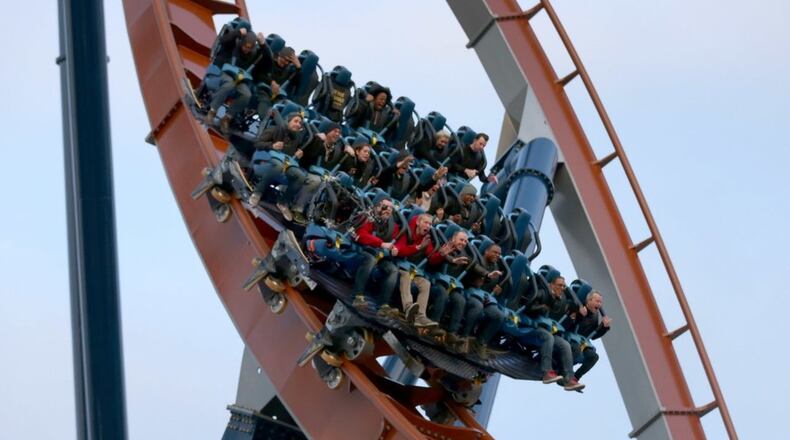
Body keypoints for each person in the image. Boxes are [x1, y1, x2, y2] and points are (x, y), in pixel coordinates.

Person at [521, 268, 585, 391]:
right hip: (531, 329)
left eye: (564, 286)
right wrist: (543, 307)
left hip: (547, 330)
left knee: (565, 344)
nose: (562, 288)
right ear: (551, 285)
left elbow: (565, 318)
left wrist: (575, 314)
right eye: (560, 285)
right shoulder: (541, 293)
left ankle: (569, 379)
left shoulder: (561, 302)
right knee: (548, 337)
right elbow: (528, 307)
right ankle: (547, 372)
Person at [289, 121, 355, 223]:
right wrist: (319, 141)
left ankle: (316, 214)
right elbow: (309, 156)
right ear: (327, 131)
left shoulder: (336, 150)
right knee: (316, 181)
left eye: (339, 132)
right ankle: (297, 208)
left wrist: (351, 156)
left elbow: (346, 168)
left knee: (332, 187)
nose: (337, 134)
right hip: (306, 169)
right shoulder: (316, 139)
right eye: (335, 131)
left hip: (323, 175)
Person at [247, 112, 307, 220]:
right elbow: (257, 143)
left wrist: (299, 155)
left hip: (284, 164)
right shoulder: (274, 129)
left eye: (300, 123)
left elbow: (292, 157)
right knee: (278, 166)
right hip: (264, 160)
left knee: (301, 176)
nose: (298, 125)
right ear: (288, 121)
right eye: (296, 121)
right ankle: (257, 192)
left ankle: (283, 202)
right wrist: (272, 145)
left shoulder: (296, 139)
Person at [351, 196, 401, 315]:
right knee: (370, 259)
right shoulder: (368, 216)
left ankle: (383, 305)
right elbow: (361, 235)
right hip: (361, 248)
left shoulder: (392, 225)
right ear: (377, 206)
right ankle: (357, 297)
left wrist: (394, 248)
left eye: (391, 208)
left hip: (379, 253)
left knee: (393, 270)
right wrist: (382, 244)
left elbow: (395, 242)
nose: (388, 210)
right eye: (385, 207)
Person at [394, 213, 445, 328]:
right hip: (398, 265)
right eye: (425, 222)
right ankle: (408, 307)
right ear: (418, 222)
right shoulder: (406, 230)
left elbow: (432, 258)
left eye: (430, 224)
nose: (428, 226)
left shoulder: (426, 238)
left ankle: (420, 317)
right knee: (406, 275)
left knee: (425, 283)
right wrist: (417, 247)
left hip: (411, 270)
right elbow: (399, 250)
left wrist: (441, 255)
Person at [206, 31, 263, 133]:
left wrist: (264, 45)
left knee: (247, 94)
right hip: (226, 73)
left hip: (240, 79)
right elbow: (223, 40)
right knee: (229, 85)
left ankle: (227, 118)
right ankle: (212, 111)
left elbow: (268, 61)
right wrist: (237, 32)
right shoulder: (234, 44)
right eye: (245, 46)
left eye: (250, 48)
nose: (246, 49)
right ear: (242, 43)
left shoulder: (253, 54)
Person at [426, 230, 471, 351]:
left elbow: (474, 266)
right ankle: (433, 325)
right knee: (443, 294)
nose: (464, 243)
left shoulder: (463, 254)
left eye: (466, 241)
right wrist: (451, 260)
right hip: (434, 280)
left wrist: (486, 276)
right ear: (453, 238)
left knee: (460, 300)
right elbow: (437, 258)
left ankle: (452, 333)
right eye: (461, 240)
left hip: (450, 284)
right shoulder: (443, 245)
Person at [460, 243, 507, 356]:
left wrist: (496, 290)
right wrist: (485, 277)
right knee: (477, 307)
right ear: (486, 251)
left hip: (484, 297)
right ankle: (463, 338)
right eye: (495, 252)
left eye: (499, 254)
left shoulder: (495, 267)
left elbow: (490, 286)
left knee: (499, 316)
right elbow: (476, 269)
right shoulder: (476, 259)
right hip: (469, 292)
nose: (497, 255)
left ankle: (480, 342)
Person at [569, 288, 611, 381]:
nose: (599, 304)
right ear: (589, 301)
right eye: (597, 301)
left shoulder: (595, 315)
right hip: (569, 337)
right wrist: (580, 315)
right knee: (576, 349)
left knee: (594, 357)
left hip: (581, 341)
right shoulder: (579, 308)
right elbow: (569, 324)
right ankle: (564, 371)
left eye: (600, 302)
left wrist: (604, 327)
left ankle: (575, 378)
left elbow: (593, 336)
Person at [252, 46, 301, 120]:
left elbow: (297, 83)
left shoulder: (289, 70)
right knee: (265, 102)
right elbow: (258, 74)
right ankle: (265, 120)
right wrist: (271, 82)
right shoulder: (270, 61)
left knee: (287, 106)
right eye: (284, 59)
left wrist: (298, 68)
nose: (286, 62)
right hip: (263, 90)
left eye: (289, 61)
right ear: (280, 55)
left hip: (277, 96)